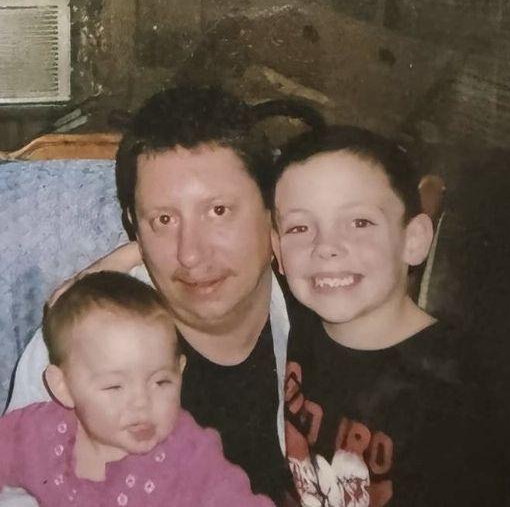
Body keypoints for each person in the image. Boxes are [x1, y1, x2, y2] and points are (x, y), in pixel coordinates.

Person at [5, 86, 311, 506]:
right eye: (164, 220)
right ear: (134, 225)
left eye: (218, 211)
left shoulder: (326, 305)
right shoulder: (84, 340)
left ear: (270, 210)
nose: (191, 254)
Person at [269, 126, 502, 506]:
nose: (326, 247)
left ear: (414, 240)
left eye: (359, 222)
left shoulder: (458, 394)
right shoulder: (291, 325)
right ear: (277, 249)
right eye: (299, 227)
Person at [0, 271, 274, 507]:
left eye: (161, 382)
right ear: (63, 387)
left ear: (179, 371)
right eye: (114, 387)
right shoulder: (40, 433)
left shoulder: (188, 456)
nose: (142, 403)